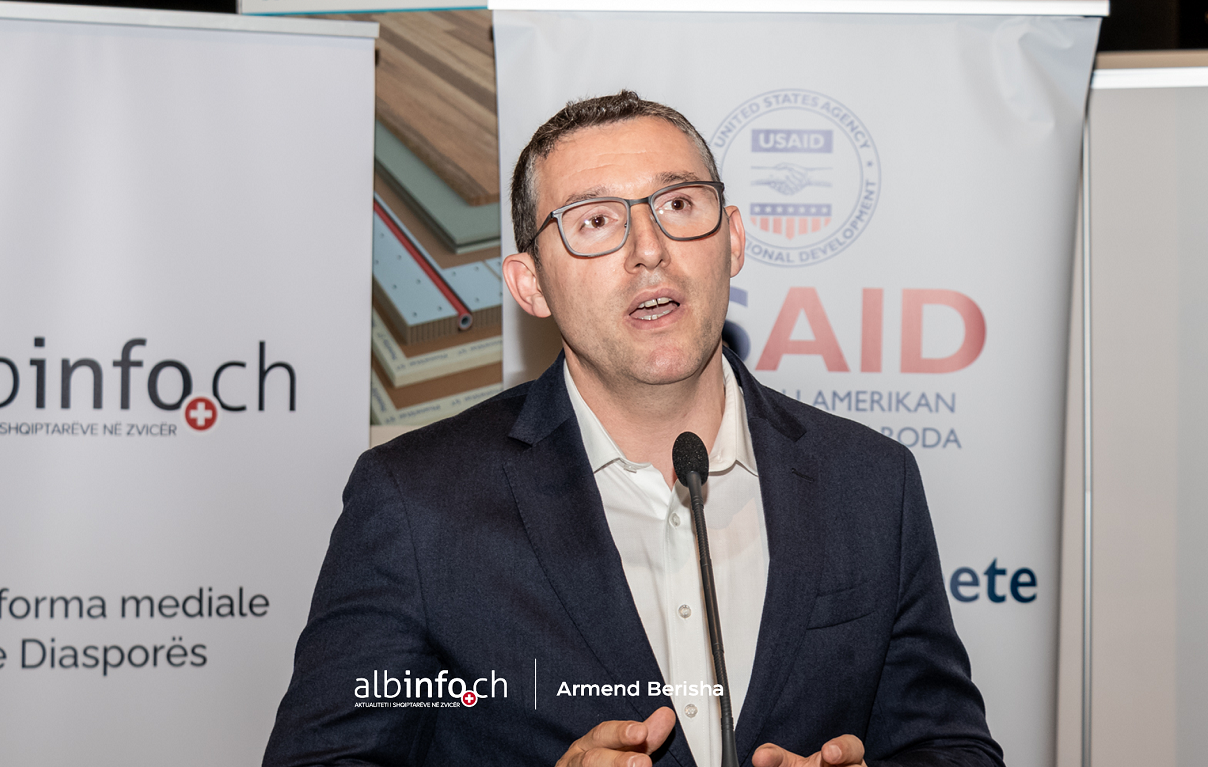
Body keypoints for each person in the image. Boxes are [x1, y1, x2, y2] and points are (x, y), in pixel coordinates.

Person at [263, 91, 1004, 767]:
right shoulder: (417, 501)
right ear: (530, 284)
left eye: (677, 205)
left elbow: (950, 748)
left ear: (732, 240)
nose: (648, 248)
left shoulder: (868, 481)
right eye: (594, 222)